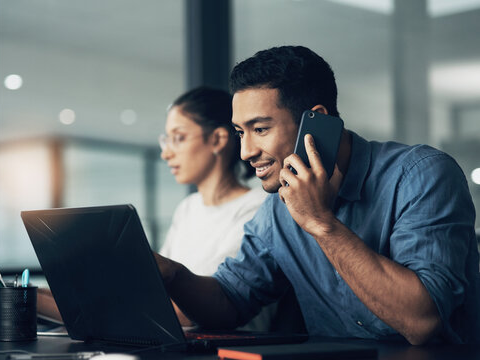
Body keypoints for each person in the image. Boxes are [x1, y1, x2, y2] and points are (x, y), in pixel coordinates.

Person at [155, 45, 480, 345]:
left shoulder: (422, 174)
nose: (246, 152)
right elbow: (229, 300)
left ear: (318, 121)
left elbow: (421, 321)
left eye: (260, 129)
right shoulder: (276, 210)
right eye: (241, 132)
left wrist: (321, 222)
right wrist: (172, 274)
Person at [159, 86, 301, 331]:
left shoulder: (261, 208)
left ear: (217, 140)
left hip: (230, 345)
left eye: (179, 138)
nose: (166, 153)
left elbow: (198, 305)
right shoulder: (187, 208)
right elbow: (156, 290)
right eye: (166, 140)